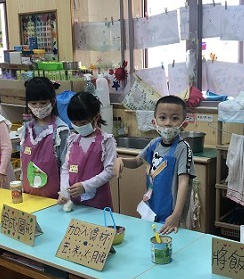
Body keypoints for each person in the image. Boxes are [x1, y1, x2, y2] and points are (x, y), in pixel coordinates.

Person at [113, 95, 195, 234]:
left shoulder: (183, 148)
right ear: (154, 122)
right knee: (151, 240)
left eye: (175, 118)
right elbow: (137, 161)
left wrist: (176, 216)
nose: (168, 123)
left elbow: (183, 183)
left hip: (172, 215)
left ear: (184, 124)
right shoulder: (154, 144)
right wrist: (121, 160)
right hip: (152, 207)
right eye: (163, 118)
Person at [58, 91, 116, 210]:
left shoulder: (106, 141)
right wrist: (64, 190)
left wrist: (85, 186)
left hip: (98, 203)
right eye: (75, 123)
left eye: (83, 123)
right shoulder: (73, 140)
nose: (79, 126)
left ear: (96, 118)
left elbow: (110, 171)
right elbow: (66, 168)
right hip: (75, 202)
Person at [19, 77, 70, 198]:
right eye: (33, 103)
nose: (38, 107)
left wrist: (65, 192)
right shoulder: (26, 129)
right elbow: (23, 164)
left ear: (53, 102)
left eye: (43, 103)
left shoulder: (60, 130)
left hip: (52, 197)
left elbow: (65, 166)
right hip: (28, 194)